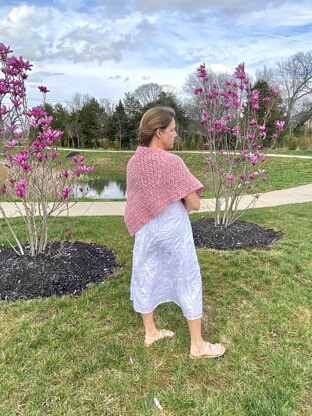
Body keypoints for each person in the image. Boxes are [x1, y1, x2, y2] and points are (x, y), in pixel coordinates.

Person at [124, 107, 225, 359]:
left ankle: (150, 332)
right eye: (172, 130)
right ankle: (198, 346)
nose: (176, 134)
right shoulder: (172, 162)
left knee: (146, 273)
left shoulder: (134, 161)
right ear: (159, 133)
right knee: (187, 277)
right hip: (173, 230)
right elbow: (194, 203)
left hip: (146, 230)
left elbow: (137, 201)